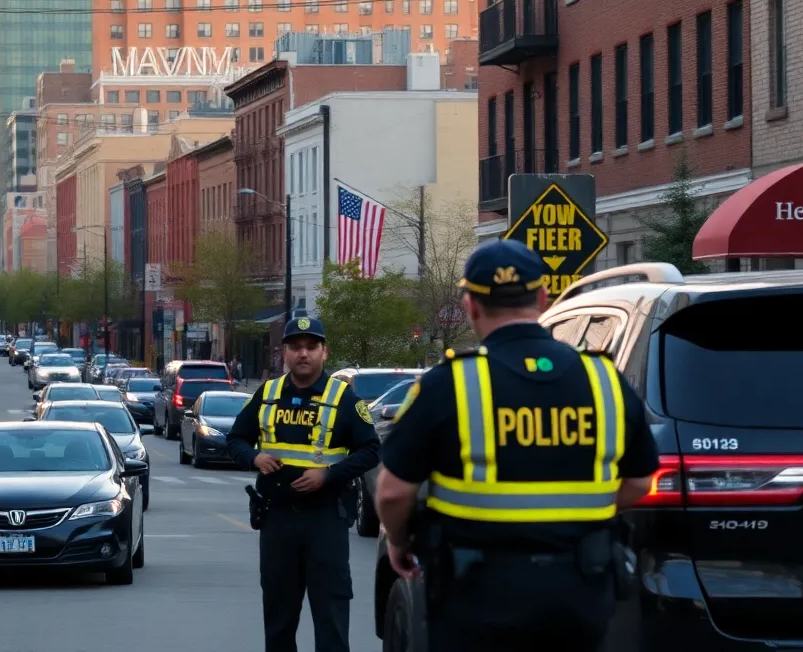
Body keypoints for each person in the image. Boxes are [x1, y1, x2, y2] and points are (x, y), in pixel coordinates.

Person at [373, 240, 661, 652]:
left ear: (471, 306)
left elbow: (392, 492)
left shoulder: (449, 384)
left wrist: (399, 542)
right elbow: (640, 481)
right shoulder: (603, 380)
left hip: (477, 594)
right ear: (542, 298)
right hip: (578, 592)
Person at [225, 316, 380, 652]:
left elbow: (371, 451)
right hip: (277, 519)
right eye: (295, 347)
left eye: (311, 347)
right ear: (284, 353)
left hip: (325, 519)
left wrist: (328, 474)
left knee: (331, 618)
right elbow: (235, 439)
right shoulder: (268, 394)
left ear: (325, 351)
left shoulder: (344, 399)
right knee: (278, 619)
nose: (303, 354)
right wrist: (254, 458)